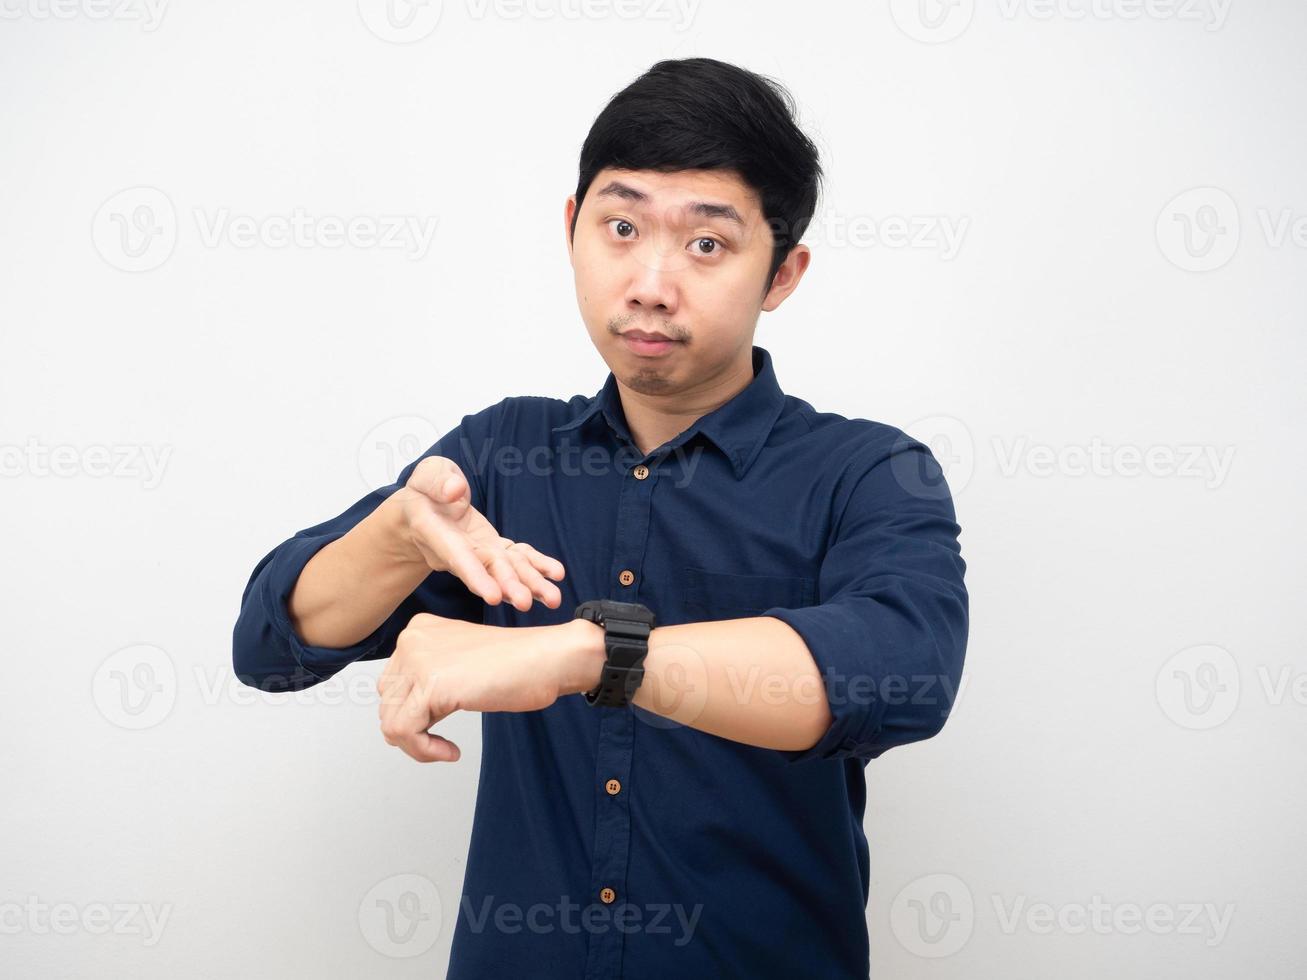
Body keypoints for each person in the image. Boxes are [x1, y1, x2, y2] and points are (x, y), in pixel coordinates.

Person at [232, 56, 968, 980]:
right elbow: (269, 645)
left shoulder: (867, 470)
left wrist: (588, 654)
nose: (651, 283)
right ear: (571, 229)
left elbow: (902, 670)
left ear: (782, 273)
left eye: (707, 245)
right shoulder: (503, 453)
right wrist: (394, 535)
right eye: (621, 228)